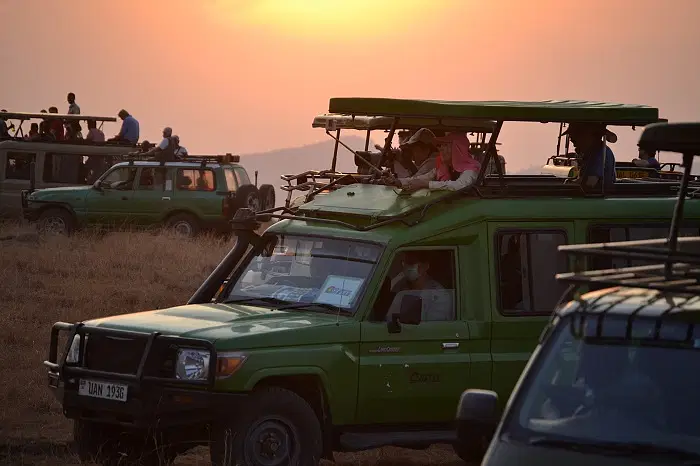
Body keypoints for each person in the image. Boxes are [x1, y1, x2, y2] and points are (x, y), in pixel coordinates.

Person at [402, 132, 481, 192]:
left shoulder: (471, 169)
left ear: (457, 150)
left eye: (445, 145)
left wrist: (427, 184)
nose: (441, 149)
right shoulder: (443, 166)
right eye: (441, 145)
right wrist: (400, 182)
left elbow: (460, 185)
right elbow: (422, 178)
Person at [389, 250, 453, 321]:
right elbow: (389, 319)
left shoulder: (438, 295)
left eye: (412, 263)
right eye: (404, 263)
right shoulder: (402, 289)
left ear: (425, 266)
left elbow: (434, 325)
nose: (407, 267)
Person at [561, 122, 617, 189]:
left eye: (575, 136)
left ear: (587, 135)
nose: (571, 140)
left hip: (595, 195)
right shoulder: (591, 152)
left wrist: (569, 185)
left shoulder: (598, 154)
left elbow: (590, 184)